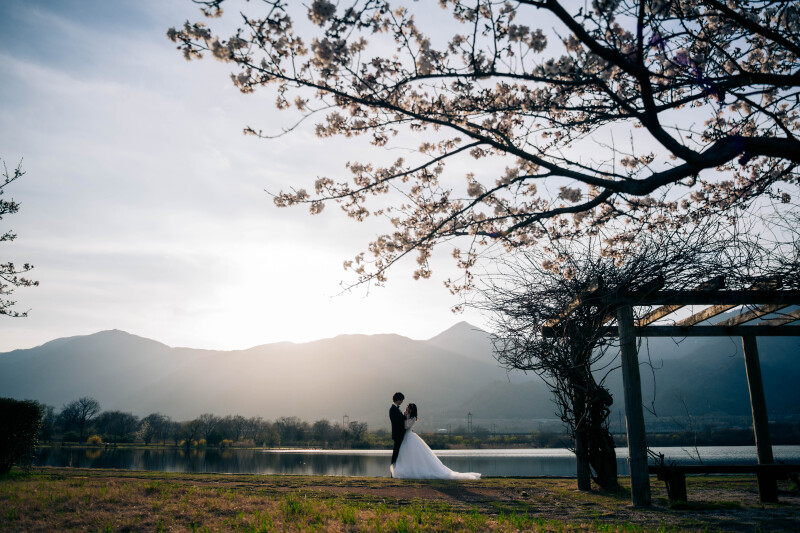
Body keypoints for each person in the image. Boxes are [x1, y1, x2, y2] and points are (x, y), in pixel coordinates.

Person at [391, 403, 481, 480]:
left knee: (414, 455)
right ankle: (409, 469)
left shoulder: (413, 418)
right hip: (406, 437)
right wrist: (405, 416)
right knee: (407, 455)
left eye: (408, 408)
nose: (406, 409)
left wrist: (406, 416)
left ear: (411, 409)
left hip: (409, 437)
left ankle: (415, 471)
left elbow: (406, 426)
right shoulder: (408, 415)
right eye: (407, 407)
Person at [389, 392, 406, 466]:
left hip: (399, 434)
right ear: (398, 399)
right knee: (396, 452)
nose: (402, 402)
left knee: (398, 452)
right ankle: (393, 469)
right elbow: (396, 421)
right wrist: (404, 416)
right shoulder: (393, 409)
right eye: (401, 400)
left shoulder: (396, 409)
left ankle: (396, 469)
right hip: (397, 434)